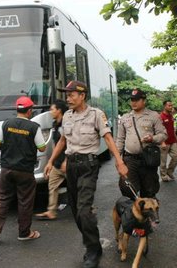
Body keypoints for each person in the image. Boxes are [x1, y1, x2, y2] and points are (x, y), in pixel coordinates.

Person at [44, 80, 128, 268]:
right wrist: (50, 161)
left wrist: (119, 161)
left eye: (72, 94)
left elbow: (108, 137)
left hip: (88, 166)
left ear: (82, 95)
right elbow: (63, 141)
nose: (69, 98)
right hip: (72, 166)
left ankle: (92, 251)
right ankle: (94, 244)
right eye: (67, 95)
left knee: (83, 210)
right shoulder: (66, 116)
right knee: (76, 211)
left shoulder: (96, 115)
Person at [0, 96, 46, 243]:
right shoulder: (34, 127)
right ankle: (24, 233)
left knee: (2, 199)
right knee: (25, 201)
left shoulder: (6, 123)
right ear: (30, 111)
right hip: (25, 170)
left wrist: (9, 149)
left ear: (17, 109)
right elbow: (42, 147)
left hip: (6, 168)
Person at [116, 89, 166, 197]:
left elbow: (163, 135)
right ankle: (132, 212)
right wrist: (118, 159)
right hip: (130, 159)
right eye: (132, 100)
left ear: (144, 101)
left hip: (147, 159)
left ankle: (148, 213)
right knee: (127, 189)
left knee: (149, 191)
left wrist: (152, 138)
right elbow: (120, 139)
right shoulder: (125, 118)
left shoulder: (154, 116)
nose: (133, 102)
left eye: (137, 100)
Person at [35, 100, 68, 220]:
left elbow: (70, 143)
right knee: (52, 185)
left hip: (68, 162)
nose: (50, 111)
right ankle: (51, 211)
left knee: (77, 188)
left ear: (59, 110)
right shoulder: (55, 124)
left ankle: (87, 209)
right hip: (58, 163)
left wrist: (66, 160)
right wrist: (51, 162)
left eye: (52, 109)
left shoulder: (67, 123)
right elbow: (56, 144)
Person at [159, 100, 177, 182]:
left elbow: (172, 129)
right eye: (169, 105)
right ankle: (163, 175)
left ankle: (169, 172)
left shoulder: (171, 116)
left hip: (172, 140)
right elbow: (158, 130)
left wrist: (176, 138)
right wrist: (161, 142)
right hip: (164, 142)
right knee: (163, 161)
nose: (171, 107)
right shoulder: (160, 117)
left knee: (176, 157)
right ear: (165, 106)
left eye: (172, 105)